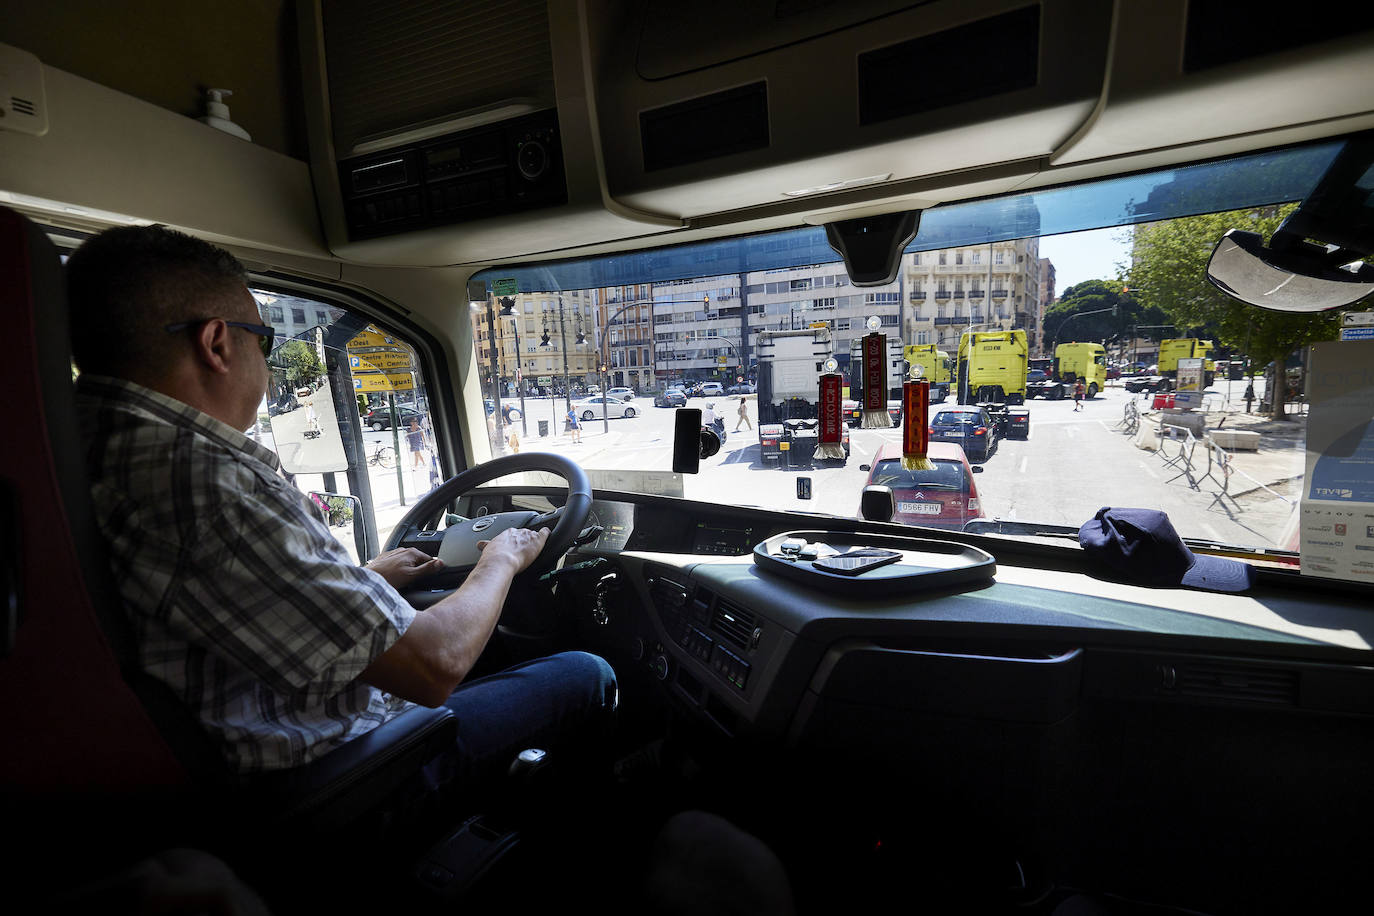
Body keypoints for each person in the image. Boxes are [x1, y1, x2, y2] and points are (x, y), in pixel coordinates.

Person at [65, 224, 616, 795]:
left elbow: (222, 597)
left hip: (201, 763)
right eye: (266, 339)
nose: (269, 360)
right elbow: (435, 665)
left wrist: (367, 578)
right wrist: (501, 559)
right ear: (217, 343)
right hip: (341, 775)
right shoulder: (205, 482)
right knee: (587, 673)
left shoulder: (76, 443)